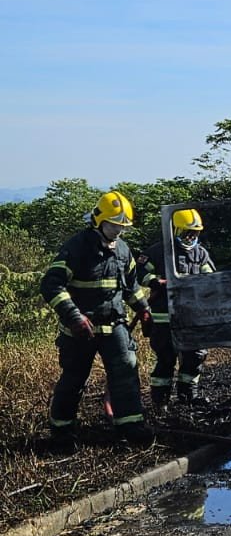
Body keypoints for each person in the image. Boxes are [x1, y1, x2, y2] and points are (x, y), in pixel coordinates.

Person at [40, 191, 154, 445]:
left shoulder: (123, 250)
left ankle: (130, 426)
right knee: (74, 378)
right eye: (114, 225)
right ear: (99, 221)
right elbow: (51, 284)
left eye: (123, 227)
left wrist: (143, 308)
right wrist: (74, 317)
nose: (118, 231)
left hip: (115, 327)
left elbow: (131, 286)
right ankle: (62, 431)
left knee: (125, 372)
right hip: (81, 331)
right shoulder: (77, 247)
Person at [137, 209, 215, 411]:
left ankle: (188, 396)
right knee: (165, 358)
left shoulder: (200, 253)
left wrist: (204, 282)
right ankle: (160, 401)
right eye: (187, 232)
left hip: (192, 317)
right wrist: (154, 281)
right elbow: (138, 273)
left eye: (194, 233)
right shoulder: (158, 251)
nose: (191, 237)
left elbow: (210, 275)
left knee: (195, 356)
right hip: (164, 317)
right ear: (175, 230)